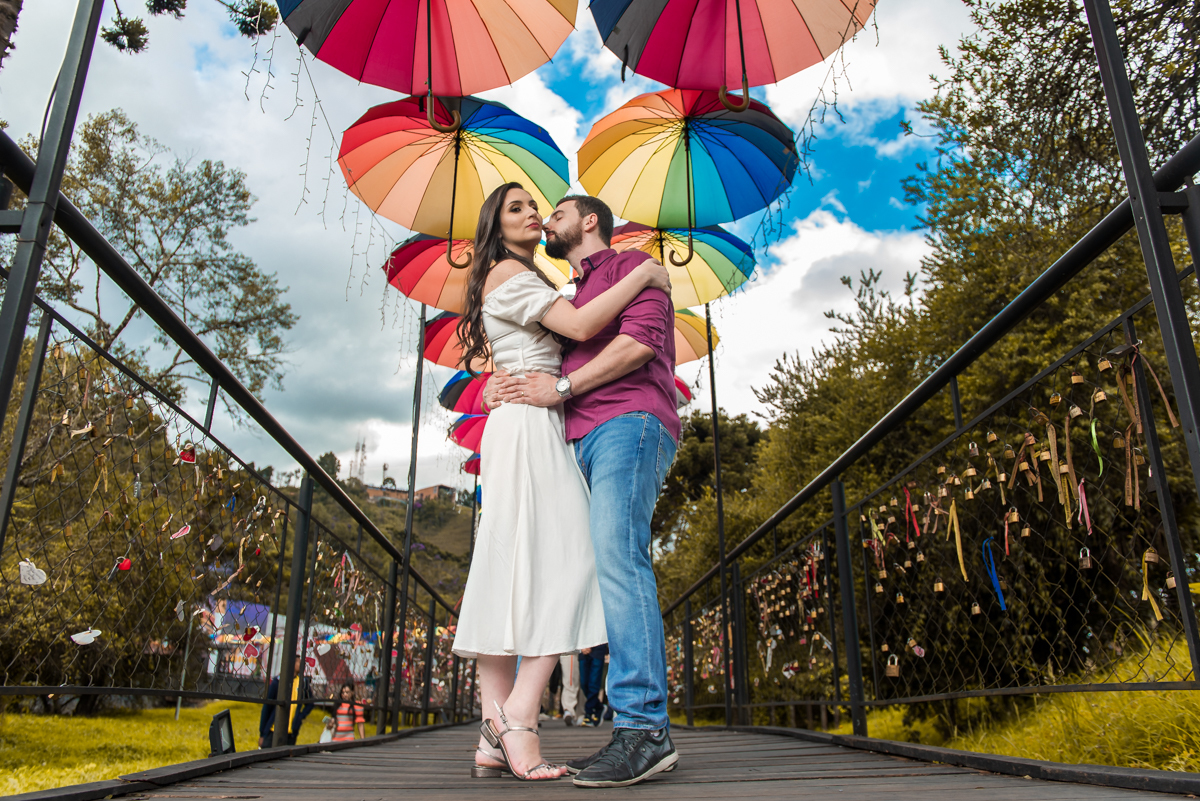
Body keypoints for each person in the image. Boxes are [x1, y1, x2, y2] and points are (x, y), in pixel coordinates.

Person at [451, 182, 672, 783]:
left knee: (510, 563)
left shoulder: (530, 280)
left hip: (534, 419)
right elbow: (575, 328)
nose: (536, 216)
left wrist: (490, 374)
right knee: (573, 557)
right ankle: (517, 717)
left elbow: (501, 343)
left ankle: (494, 730)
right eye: (518, 209)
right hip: (532, 423)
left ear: (591, 220)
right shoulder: (510, 274)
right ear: (496, 227)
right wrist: (648, 274)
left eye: (542, 209)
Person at [258, 656, 315, 747]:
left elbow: (310, 703)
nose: (302, 666)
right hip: (273, 730)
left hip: (291, 732)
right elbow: (267, 707)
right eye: (299, 663)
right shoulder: (278, 682)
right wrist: (262, 734)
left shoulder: (303, 683)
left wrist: (300, 716)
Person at [578, 644, 608, 727]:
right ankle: (599, 707)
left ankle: (588, 714)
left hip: (598, 648)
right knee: (584, 683)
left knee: (594, 684)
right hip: (583, 648)